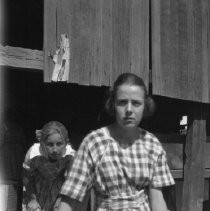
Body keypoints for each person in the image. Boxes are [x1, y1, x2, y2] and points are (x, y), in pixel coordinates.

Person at [58, 73, 175, 211]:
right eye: (122, 102)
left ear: (145, 106)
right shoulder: (94, 143)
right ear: (113, 105)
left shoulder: (152, 144)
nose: (129, 110)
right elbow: (71, 197)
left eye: (136, 103)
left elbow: (157, 198)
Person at [22, 121, 75, 211]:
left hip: (59, 192)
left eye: (59, 144)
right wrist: (33, 199)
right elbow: (27, 177)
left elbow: (70, 181)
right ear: (42, 144)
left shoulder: (69, 155)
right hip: (36, 191)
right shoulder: (34, 154)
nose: (55, 149)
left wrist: (60, 199)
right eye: (50, 144)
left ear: (66, 143)